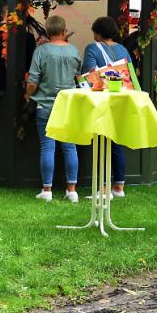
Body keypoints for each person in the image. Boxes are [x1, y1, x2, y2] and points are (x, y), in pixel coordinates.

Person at [26, 15, 80, 202]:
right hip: (68, 104)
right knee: (70, 147)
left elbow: (33, 81)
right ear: (64, 31)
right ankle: (71, 190)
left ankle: (47, 190)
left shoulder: (41, 51)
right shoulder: (74, 51)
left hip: (45, 104)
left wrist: (27, 95)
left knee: (47, 147)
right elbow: (78, 78)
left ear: (47, 32)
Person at [81, 16, 135, 197]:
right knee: (116, 142)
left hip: (101, 101)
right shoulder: (123, 49)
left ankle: (104, 189)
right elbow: (131, 75)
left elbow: (89, 75)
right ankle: (118, 186)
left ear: (97, 32)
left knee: (102, 142)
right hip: (121, 99)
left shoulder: (92, 48)